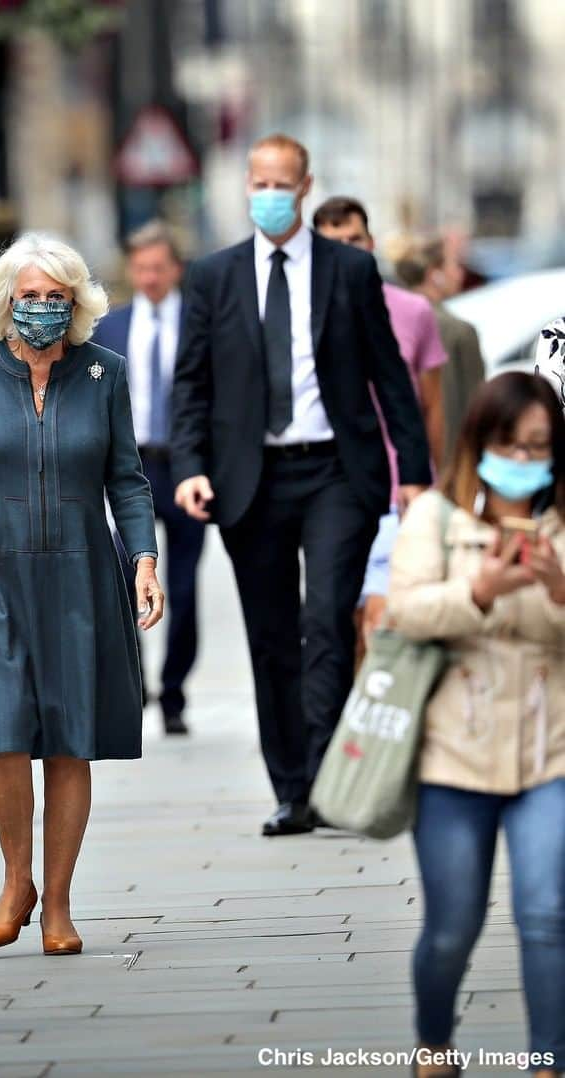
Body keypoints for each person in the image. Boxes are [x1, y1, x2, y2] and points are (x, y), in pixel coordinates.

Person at [171, 133, 432, 837]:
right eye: (258, 182)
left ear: (306, 185)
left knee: (325, 621)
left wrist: (415, 474)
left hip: (336, 474)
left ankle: (330, 777)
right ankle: (293, 789)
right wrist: (190, 466)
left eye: (280, 182)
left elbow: (390, 378)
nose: (268, 194)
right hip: (249, 480)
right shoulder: (213, 277)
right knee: (272, 635)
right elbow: (191, 383)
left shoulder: (350, 271)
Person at [0, 233, 164, 955]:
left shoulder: (103, 374)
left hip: (81, 572)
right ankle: (15, 879)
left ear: (78, 305)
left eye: (58, 299)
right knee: (2, 729)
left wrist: (143, 559)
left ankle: (57, 903)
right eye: (30, 298)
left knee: (70, 740)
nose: (44, 310)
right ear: (4, 303)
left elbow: (127, 478)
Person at [387, 372, 564, 1078]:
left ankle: (549, 1061)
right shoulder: (435, 516)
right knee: (452, 929)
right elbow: (406, 612)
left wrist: (555, 586)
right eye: (509, 445)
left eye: (539, 447)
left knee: (548, 914)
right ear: (479, 443)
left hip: (549, 748)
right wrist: (480, 592)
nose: (523, 461)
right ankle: (434, 1044)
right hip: (453, 755)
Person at [311, 196, 448, 657]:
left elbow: (429, 406)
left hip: (397, 491)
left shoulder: (413, 312)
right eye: (335, 244)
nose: (348, 252)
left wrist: (432, 482)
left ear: (371, 243)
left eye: (355, 240)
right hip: (334, 488)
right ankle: (351, 718)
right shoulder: (302, 313)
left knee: (381, 614)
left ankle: (376, 721)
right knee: (338, 618)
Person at [93, 220, 206, 736]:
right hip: (128, 469)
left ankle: (175, 690)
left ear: (175, 269)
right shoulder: (111, 328)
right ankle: (134, 676)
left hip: (184, 467)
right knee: (121, 573)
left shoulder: (200, 322)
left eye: (159, 267)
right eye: (141, 268)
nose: (150, 277)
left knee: (183, 584)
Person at [392, 233, 486, 460]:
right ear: (435, 274)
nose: (460, 274)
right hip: (449, 463)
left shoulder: (385, 319)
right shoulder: (457, 331)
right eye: (454, 265)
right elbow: (475, 411)